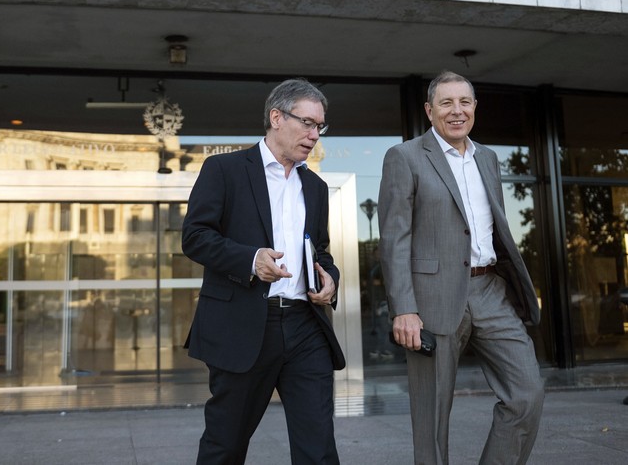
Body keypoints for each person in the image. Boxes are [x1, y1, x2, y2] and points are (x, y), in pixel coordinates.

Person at [377, 70, 545, 465]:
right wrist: (404, 308)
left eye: (464, 102)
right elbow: (394, 239)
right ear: (429, 110)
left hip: (490, 290)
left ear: (474, 108)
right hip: (432, 298)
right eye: (446, 103)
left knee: (526, 393)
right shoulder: (405, 157)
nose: (457, 111)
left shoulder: (488, 157)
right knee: (432, 418)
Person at [182, 78, 344, 465]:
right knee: (226, 444)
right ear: (276, 117)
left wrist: (330, 277)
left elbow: (319, 250)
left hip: (306, 328)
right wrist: (251, 259)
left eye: (319, 126)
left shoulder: (316, 187)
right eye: (307, 123)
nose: (314, 134)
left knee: (318, 447)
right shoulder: (225, 169)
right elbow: (195, 237)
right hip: (244, 325)